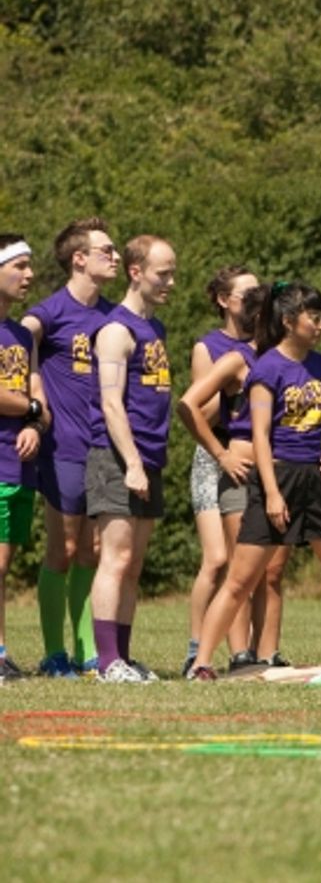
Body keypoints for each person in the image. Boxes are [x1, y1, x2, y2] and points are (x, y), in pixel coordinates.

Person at [188, 283, 321, 680]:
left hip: (315, 484)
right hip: (277, 477)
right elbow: (261, 437)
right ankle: (201, 664)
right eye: (314, 318)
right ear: (288, 321)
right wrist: (270, 492)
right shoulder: (267, 369)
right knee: (240, 581)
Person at [177, 283, 294, 672]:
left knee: (273, 571)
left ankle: (268, 653)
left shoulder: (289, 360)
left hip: (280, 476)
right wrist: (221, 453)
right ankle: (239, 655)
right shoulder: (235, 358)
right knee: (242, 571)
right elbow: (188, 404)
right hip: (241, 477)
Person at [22, 217, 118, 677]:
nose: (115, 257)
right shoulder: (49, 311)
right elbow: (20, 342)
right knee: (61, 550)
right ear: (79, 258)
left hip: (104, 449)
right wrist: (34, 398)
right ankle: (54, 653)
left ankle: (90, 654)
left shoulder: (113, 315)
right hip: (62, 447)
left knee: (93, 551)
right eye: (106, 250)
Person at [86, 235, 177, 682]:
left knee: (134, 564)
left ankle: (123, 656)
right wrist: (134, 463)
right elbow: (110, 404)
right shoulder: (117, 331)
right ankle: (106, 663)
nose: (171, 282)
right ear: (136, 272)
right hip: (116, 458)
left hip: (148, 457)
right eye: (163, 273)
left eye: (173, 273)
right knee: (116, 559)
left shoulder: (154, 329)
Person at [183, 266, 263, 674]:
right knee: (216, 560)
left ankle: (248, 650)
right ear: (223, 300)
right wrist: (230, 382)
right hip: (211, 455)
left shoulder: (263, 344)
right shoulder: (208, 347)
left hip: (243, 455)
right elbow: (202, 410)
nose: (254, 301)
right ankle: (196, 649)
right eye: (245, 295)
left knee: (245, 560)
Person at [0, 236, 49, 682]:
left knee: (4, 561)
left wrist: (34, 424)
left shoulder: (20, 335)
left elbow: (38, 396)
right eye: (20, 266)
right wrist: (31, 409)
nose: (29, 275)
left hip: (20, 463)